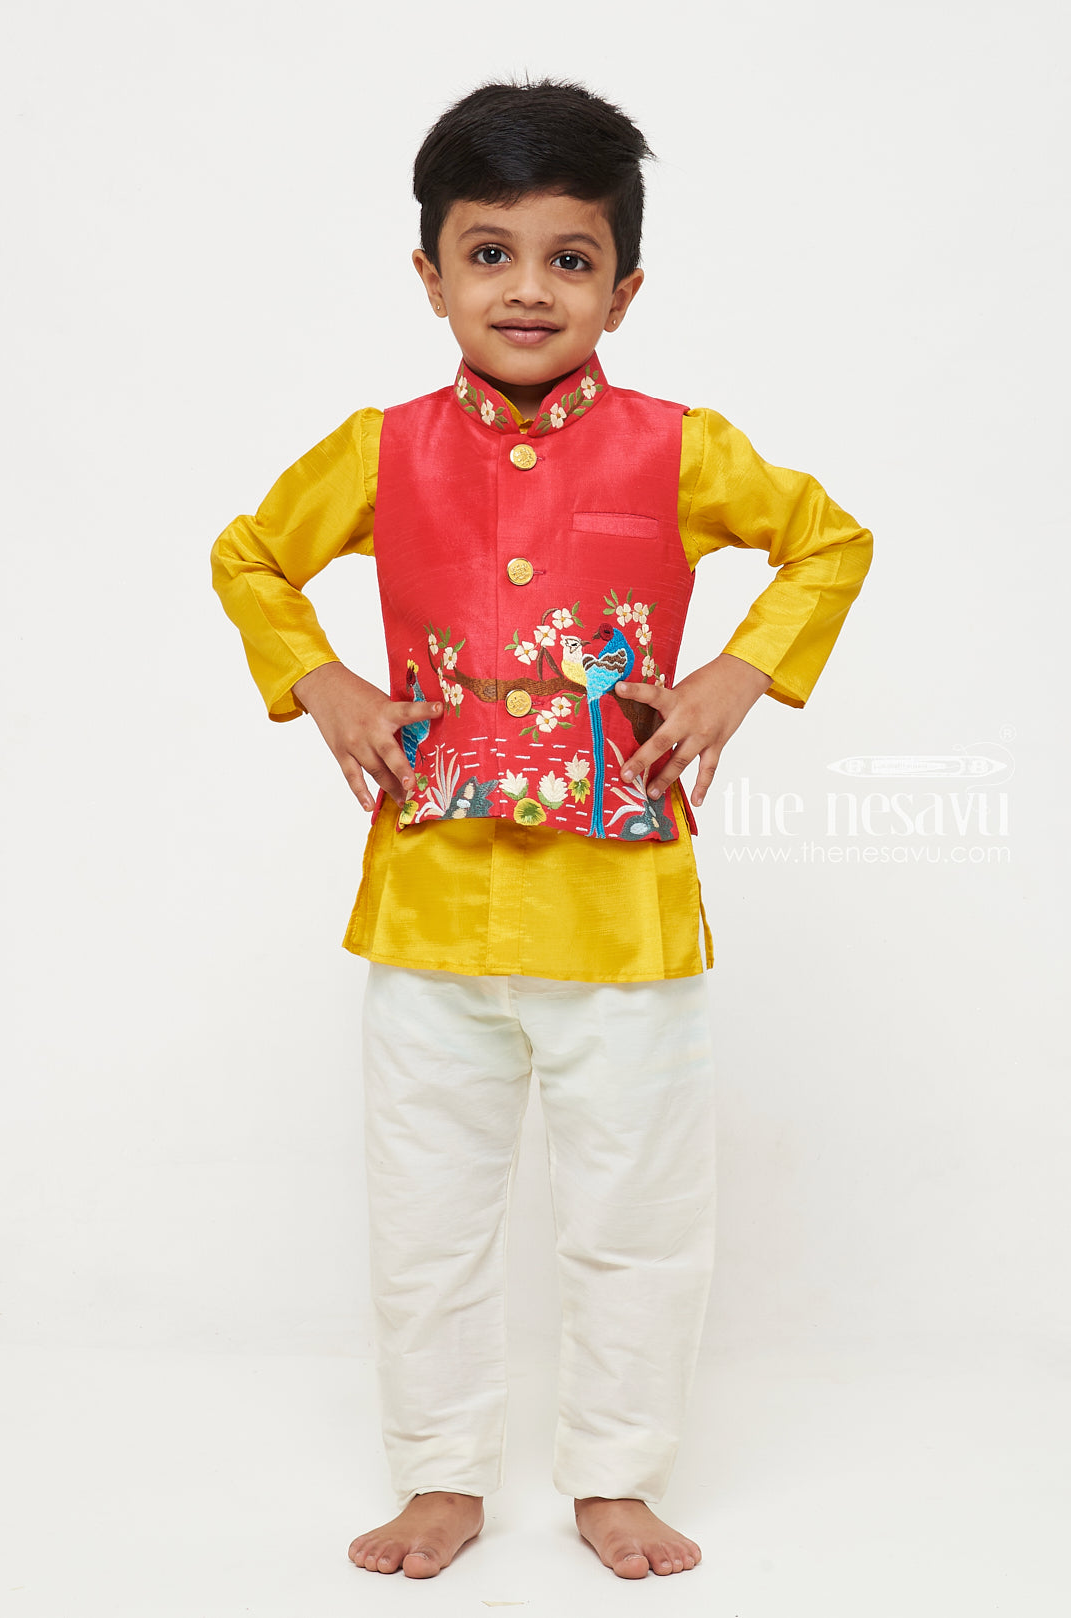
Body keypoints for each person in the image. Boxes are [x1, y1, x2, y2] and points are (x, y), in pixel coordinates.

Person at [210, 78, 873, 1581]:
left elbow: (829, 540)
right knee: (427, 1214)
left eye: (569, 259)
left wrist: (737, 675)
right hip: (429, 906)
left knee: (637, 1215)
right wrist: (322, 683)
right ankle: (442, 1476)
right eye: (489, 252)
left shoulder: (679, 447)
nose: (527, 288)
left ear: (623, 289)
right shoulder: (377, 452)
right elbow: (250, 556)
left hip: (622, 919)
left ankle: (617, 1476)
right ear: (431, 273)